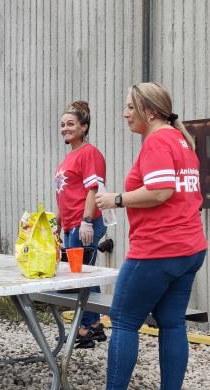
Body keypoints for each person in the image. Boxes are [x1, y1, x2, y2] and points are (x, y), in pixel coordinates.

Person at [95, 82, 207, 390]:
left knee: (123, 320)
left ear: (151, 111)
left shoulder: (157, 142)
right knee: (172, 323)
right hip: (190, 249)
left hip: (159, 250)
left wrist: (116, 199)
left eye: (131, 107)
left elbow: (160, 191)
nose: (125, 113)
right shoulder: (182, 141)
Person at [54, 100, 108, 348]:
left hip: (84, 223)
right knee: (82, 275)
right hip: (71, 224)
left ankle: (86, 327)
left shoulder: (89, 153)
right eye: (63, 124)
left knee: (81, 276)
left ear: (84, 127)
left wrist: (86, 221)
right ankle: (92, 325)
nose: (65, 128)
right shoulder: (69, 156)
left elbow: (92, 188)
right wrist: (58, 221)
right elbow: (66, 193)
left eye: (71, 124)